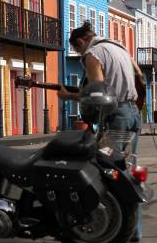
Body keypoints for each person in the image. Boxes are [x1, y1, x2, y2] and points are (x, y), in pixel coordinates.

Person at [58, 22, 142, 241]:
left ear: (80, 43)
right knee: (129, 175)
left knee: (110, 175)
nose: (80, 56)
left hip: (118, 117)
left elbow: (98, 91)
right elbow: (140, 75)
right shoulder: (119, 47)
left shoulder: (93, 54)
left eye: (78, 51)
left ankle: (117, 232)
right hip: (133, 114)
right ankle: (134, 233)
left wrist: (70, 96)